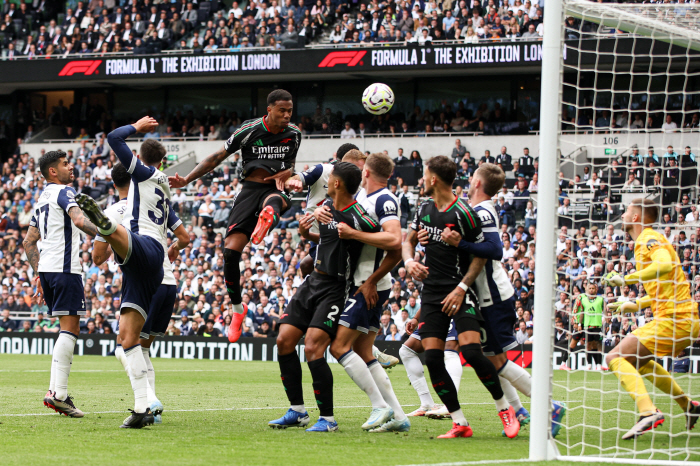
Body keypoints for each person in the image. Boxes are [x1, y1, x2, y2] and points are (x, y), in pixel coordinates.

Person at [419, 163, 565, 435]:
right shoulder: (470, 210)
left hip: (491, 296)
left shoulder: (482, 212)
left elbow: (495, 249)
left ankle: (548, 405)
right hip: (481, 294)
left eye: (472, 176)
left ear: (477, 183)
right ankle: (519, 410)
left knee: (495, 360)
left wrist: (459, 243)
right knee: (490, 357)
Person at [400, 155, 519, 439]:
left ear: (433, 180)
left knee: (470, 352)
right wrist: (409, 262)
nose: (420, 181)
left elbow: (480, 254)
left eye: (423, 175)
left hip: (460, 291)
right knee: (432, 358)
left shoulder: (465, 212)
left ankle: (506, 410)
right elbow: (408, 241)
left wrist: (462, 288)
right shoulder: (423, 208)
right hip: (431, 295)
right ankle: (459, 422)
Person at [169, 90, 300, 344]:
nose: (287, 115)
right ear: (269, 109)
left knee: (273, 203)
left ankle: (266, 220)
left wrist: (288, 173)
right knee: (229, 253)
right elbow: (217, 157)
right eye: (282, 110)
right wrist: (187, 179)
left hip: (276, 189)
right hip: (250, 190)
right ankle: (238, 310)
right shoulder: (248, 131)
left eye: (290, 111)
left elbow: (290, 166)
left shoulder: (294, 134)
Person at [268, 162, 384, 432]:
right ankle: (297, 410)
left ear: (337, 184)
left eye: (330, 178)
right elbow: (326, 241)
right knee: (284, 340)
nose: (327, 180)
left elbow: (387, 240)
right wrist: (306, 233)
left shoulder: (359, 216)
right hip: (313, 281)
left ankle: (328, 418)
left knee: (312, 348)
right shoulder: (327, 209)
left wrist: (371, 280)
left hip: (336, 286)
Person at [73, 116, 173, 429]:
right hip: (146, 269)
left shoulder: (141, 174)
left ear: (140, 160)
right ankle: (143, 407)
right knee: (127, 340)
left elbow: (114, 138)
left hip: (144, 246)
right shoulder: (164, 183)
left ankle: (104, 225)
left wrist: (136, 127)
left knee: (120, 234)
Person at [315, 152, 408, 432]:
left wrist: (370, 280)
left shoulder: (384, 200)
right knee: (364, 351)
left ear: (365, 172)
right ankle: (399, 417)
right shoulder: (364, 202)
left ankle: (380, 406)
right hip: (363, 282)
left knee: (339, 346)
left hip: (369, 285)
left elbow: (394, 242)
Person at [92, 163, 189, 425]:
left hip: (145, 280)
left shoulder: (115, 209)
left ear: (114, 184)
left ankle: (147, 401)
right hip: (168, 282)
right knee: (143, 349)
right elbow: (185, 236)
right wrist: (174, 248)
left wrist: (112, 245)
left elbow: (98, 258)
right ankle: (151, 408)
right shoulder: (156, 200)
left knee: (124, 346)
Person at [604, 198, 700, 440]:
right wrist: (635, 303)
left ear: (636, 218)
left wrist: (627, 280)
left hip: (675, 320)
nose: (623, 214)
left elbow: (665, 265)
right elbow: (663, 288)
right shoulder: (647, 240)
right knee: (638, 361)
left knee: (614, 356)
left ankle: (648, 412)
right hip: (681, 319)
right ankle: (688, 404)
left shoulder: (646, 238)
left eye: (627, 211)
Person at [24, 150, 101, 418]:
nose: (71, 167)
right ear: (53, 171)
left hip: (47, 270)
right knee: (70, 329)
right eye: (65, 164)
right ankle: (60, 394)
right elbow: (80, 220)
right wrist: (110, 233)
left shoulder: (41, 199)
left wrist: (38, 271)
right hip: (66, 269)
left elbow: (28, 241)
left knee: (65, 328)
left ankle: (54, 391)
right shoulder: (64, 191)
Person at [571, 283, 604, 370]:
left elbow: (606, 312)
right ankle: (589, 364)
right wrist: (579, 324)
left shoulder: (601, 299)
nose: (591, 290)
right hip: (587, 326)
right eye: (590, 288)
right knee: (588, 345)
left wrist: (607, 324)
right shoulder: (584, 300)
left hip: (597, 326)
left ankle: (599, 365)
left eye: (593, 288)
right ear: (587, 290)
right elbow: (582, 312)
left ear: (596, 290)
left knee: (598, 345)